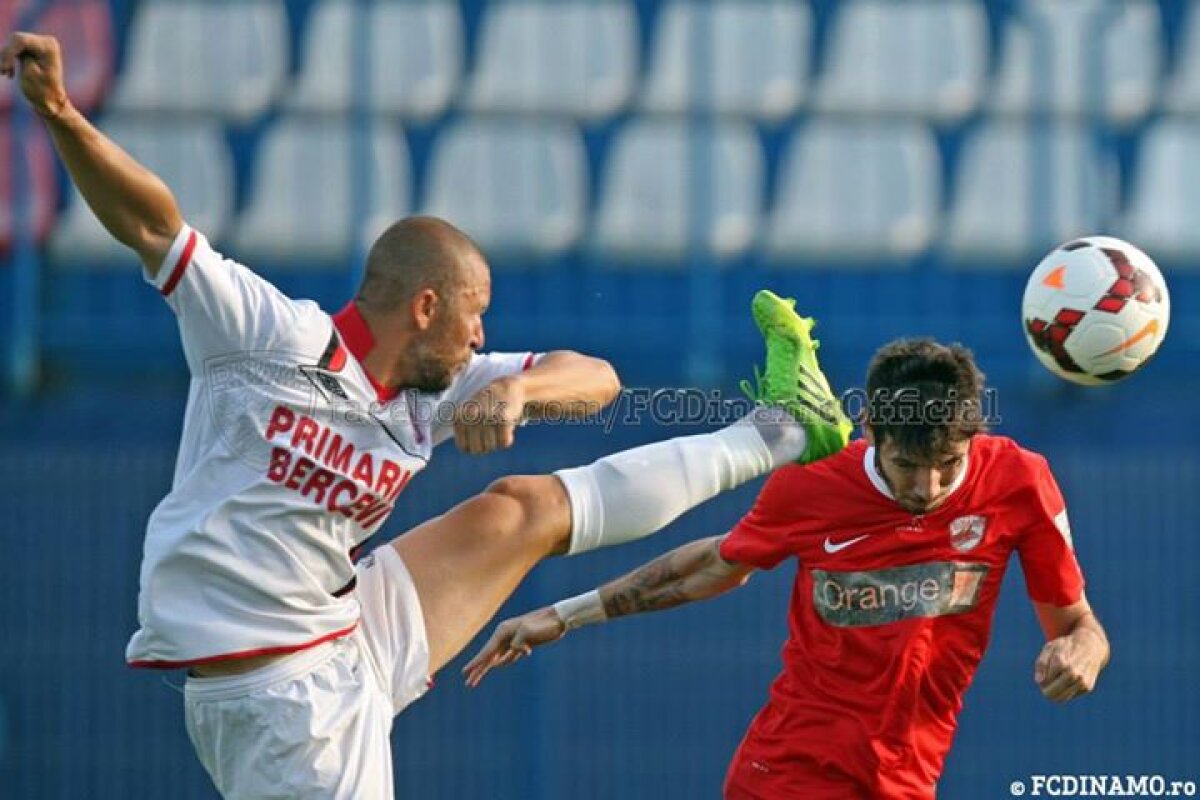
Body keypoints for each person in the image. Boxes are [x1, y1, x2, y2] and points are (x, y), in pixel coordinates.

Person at [2, 33, 855, 799]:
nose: (482, 335)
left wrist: (521, 389)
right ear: (424, 306)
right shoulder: (265, 336)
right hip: (277, 699)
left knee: (523, 509)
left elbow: (595, 377)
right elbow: (154, 225)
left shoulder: (443, 381)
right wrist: (62, 113)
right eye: (473, 313)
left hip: (345, 623)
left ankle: (783, 430)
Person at [466, 338, 1113, 800]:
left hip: (910, 779)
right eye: (907, 465)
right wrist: (564, 615)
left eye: (947, 463)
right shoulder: (812, 490)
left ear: (973, 434)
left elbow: (1077, 624)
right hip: (791, 772)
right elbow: (710, 566)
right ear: (870, 431)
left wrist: (1082, 651)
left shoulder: (1020, 484)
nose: (928, 485)